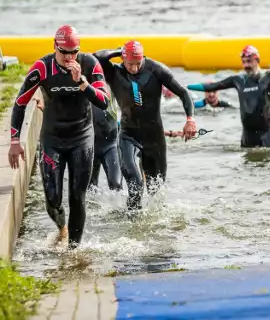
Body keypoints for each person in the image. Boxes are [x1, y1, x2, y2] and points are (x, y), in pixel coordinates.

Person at [8, 25, 110, 248]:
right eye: (64, 52)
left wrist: (83, 83)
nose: (69, 57)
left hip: (81, 138)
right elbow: (19, 103)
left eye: (74, 52)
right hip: (52, 140)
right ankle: (62, 227)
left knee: (77, 196)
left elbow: (104, 101)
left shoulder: (90, 64)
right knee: (53, 199)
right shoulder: (42, 67)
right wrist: (15, 141)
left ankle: (73, 251)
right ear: (55, 47)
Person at [94, 40, 197, 212]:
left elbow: (183, 93)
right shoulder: (114, 72)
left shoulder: (156, 69)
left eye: (137, 63)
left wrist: (190, 120)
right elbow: (96, 57)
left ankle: (150, 231)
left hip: (154, 137)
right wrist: (120, 51)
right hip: (128, 135)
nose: (134, 68)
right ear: (122, 59)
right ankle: (133, 225)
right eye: (130, 64)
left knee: (156, 191)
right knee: (135, 182)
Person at [187, 45, 270, 148]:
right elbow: (212, 86)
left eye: (249, 61)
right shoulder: (238, 80)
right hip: (247, 134)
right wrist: (184, 88)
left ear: (257, 60)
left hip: (267, 133)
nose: (246, 65)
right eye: (243, 62)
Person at [89, 85, 122, 191]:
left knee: (116, 186)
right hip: (87, 146)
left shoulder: (112, 75)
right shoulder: (78, 79)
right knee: (89, 190)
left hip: (110, 144)